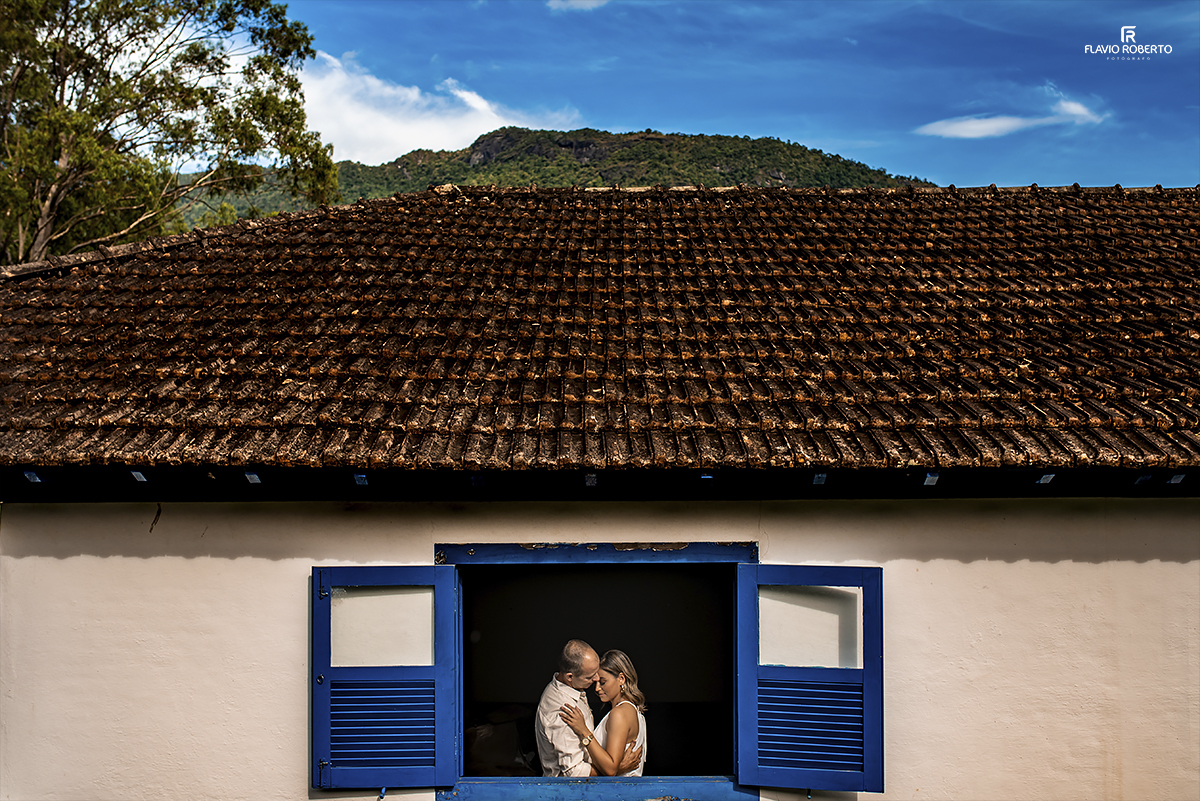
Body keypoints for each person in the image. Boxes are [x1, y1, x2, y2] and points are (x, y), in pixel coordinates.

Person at [535, 640, 642, 777]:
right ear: (570, 677)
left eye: (601, 679)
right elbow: (574, 772)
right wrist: (616, 769)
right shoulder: (563, 708)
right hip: (570, 794)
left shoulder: (574, 688)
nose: (596, 680)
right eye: (590, 677)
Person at [559, 649, 648, 777]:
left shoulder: (619, 714)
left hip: (617, 793)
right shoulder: (633, 711)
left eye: (603, 682)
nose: (597, 688)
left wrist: (583, 730)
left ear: (621, 679)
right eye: (596, 682)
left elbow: (610, 769)